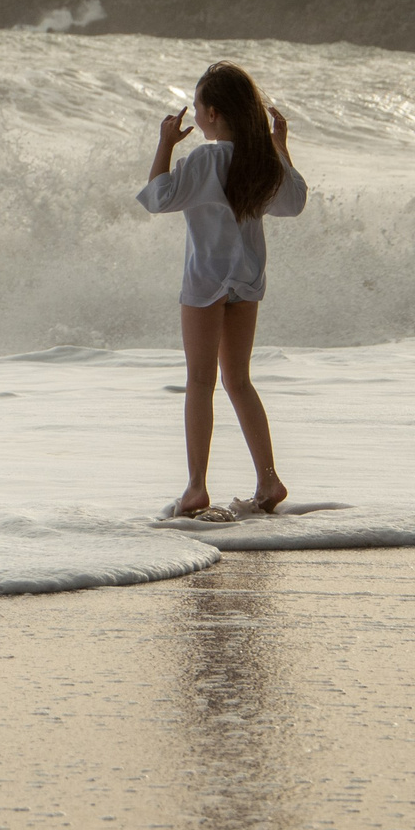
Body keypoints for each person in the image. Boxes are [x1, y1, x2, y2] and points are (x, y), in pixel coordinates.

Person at [138, 60, 307, 523]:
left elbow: (158, 198)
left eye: (197, 107)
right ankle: (268, 478)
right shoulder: (261, 161)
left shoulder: (205, 159)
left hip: (206, 280)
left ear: (212, 114)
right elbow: (294, 203)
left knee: (199, 381)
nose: (194, 114)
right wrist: (281, 149)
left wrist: (165, 144)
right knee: (238, 380)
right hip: (247, 279)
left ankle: (196, 488)